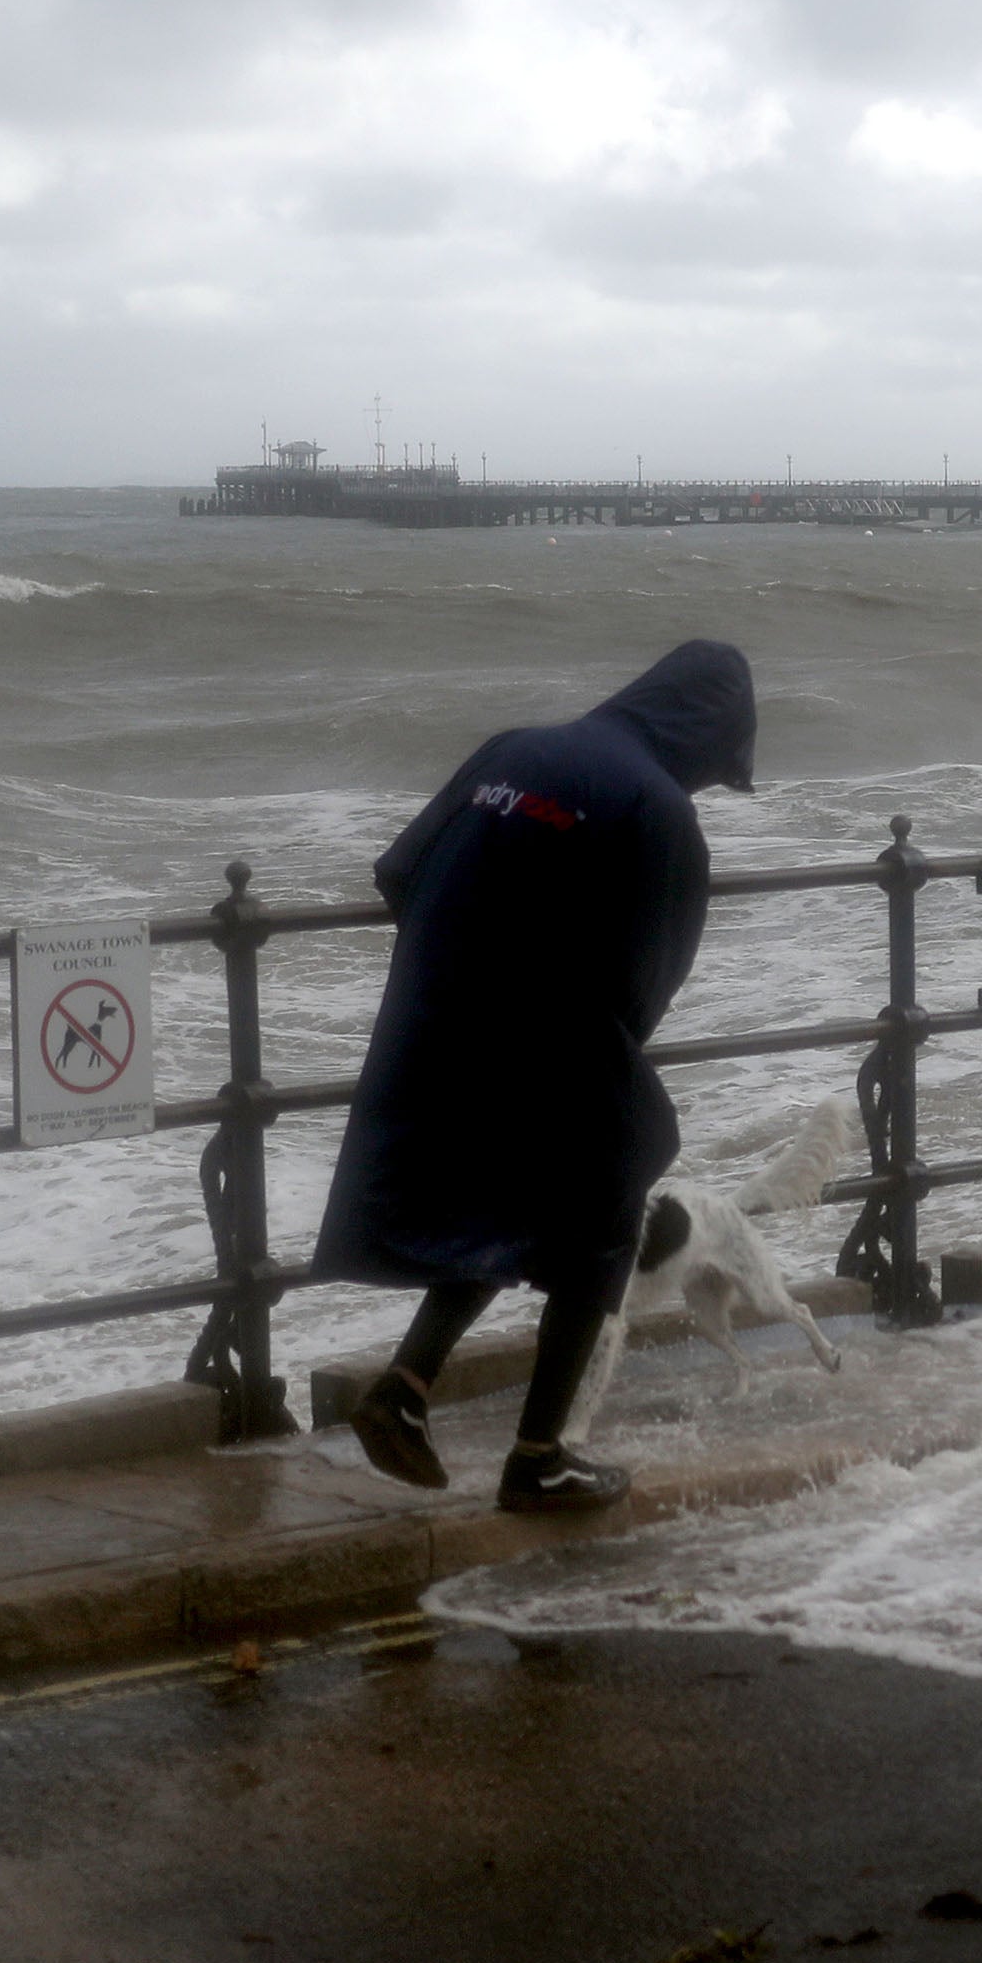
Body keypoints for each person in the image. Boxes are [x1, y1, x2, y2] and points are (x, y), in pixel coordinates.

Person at [322, 640, 757, 1509]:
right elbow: (647, 982)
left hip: (433, 1008)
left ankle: (405, 1389)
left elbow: (401, 871)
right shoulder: (659, 807)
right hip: (550, 1027)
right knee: (615, 1179)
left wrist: (460, 962)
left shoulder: (512, 749)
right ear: (707, 734)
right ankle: (539, 1457)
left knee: (508, 1189)